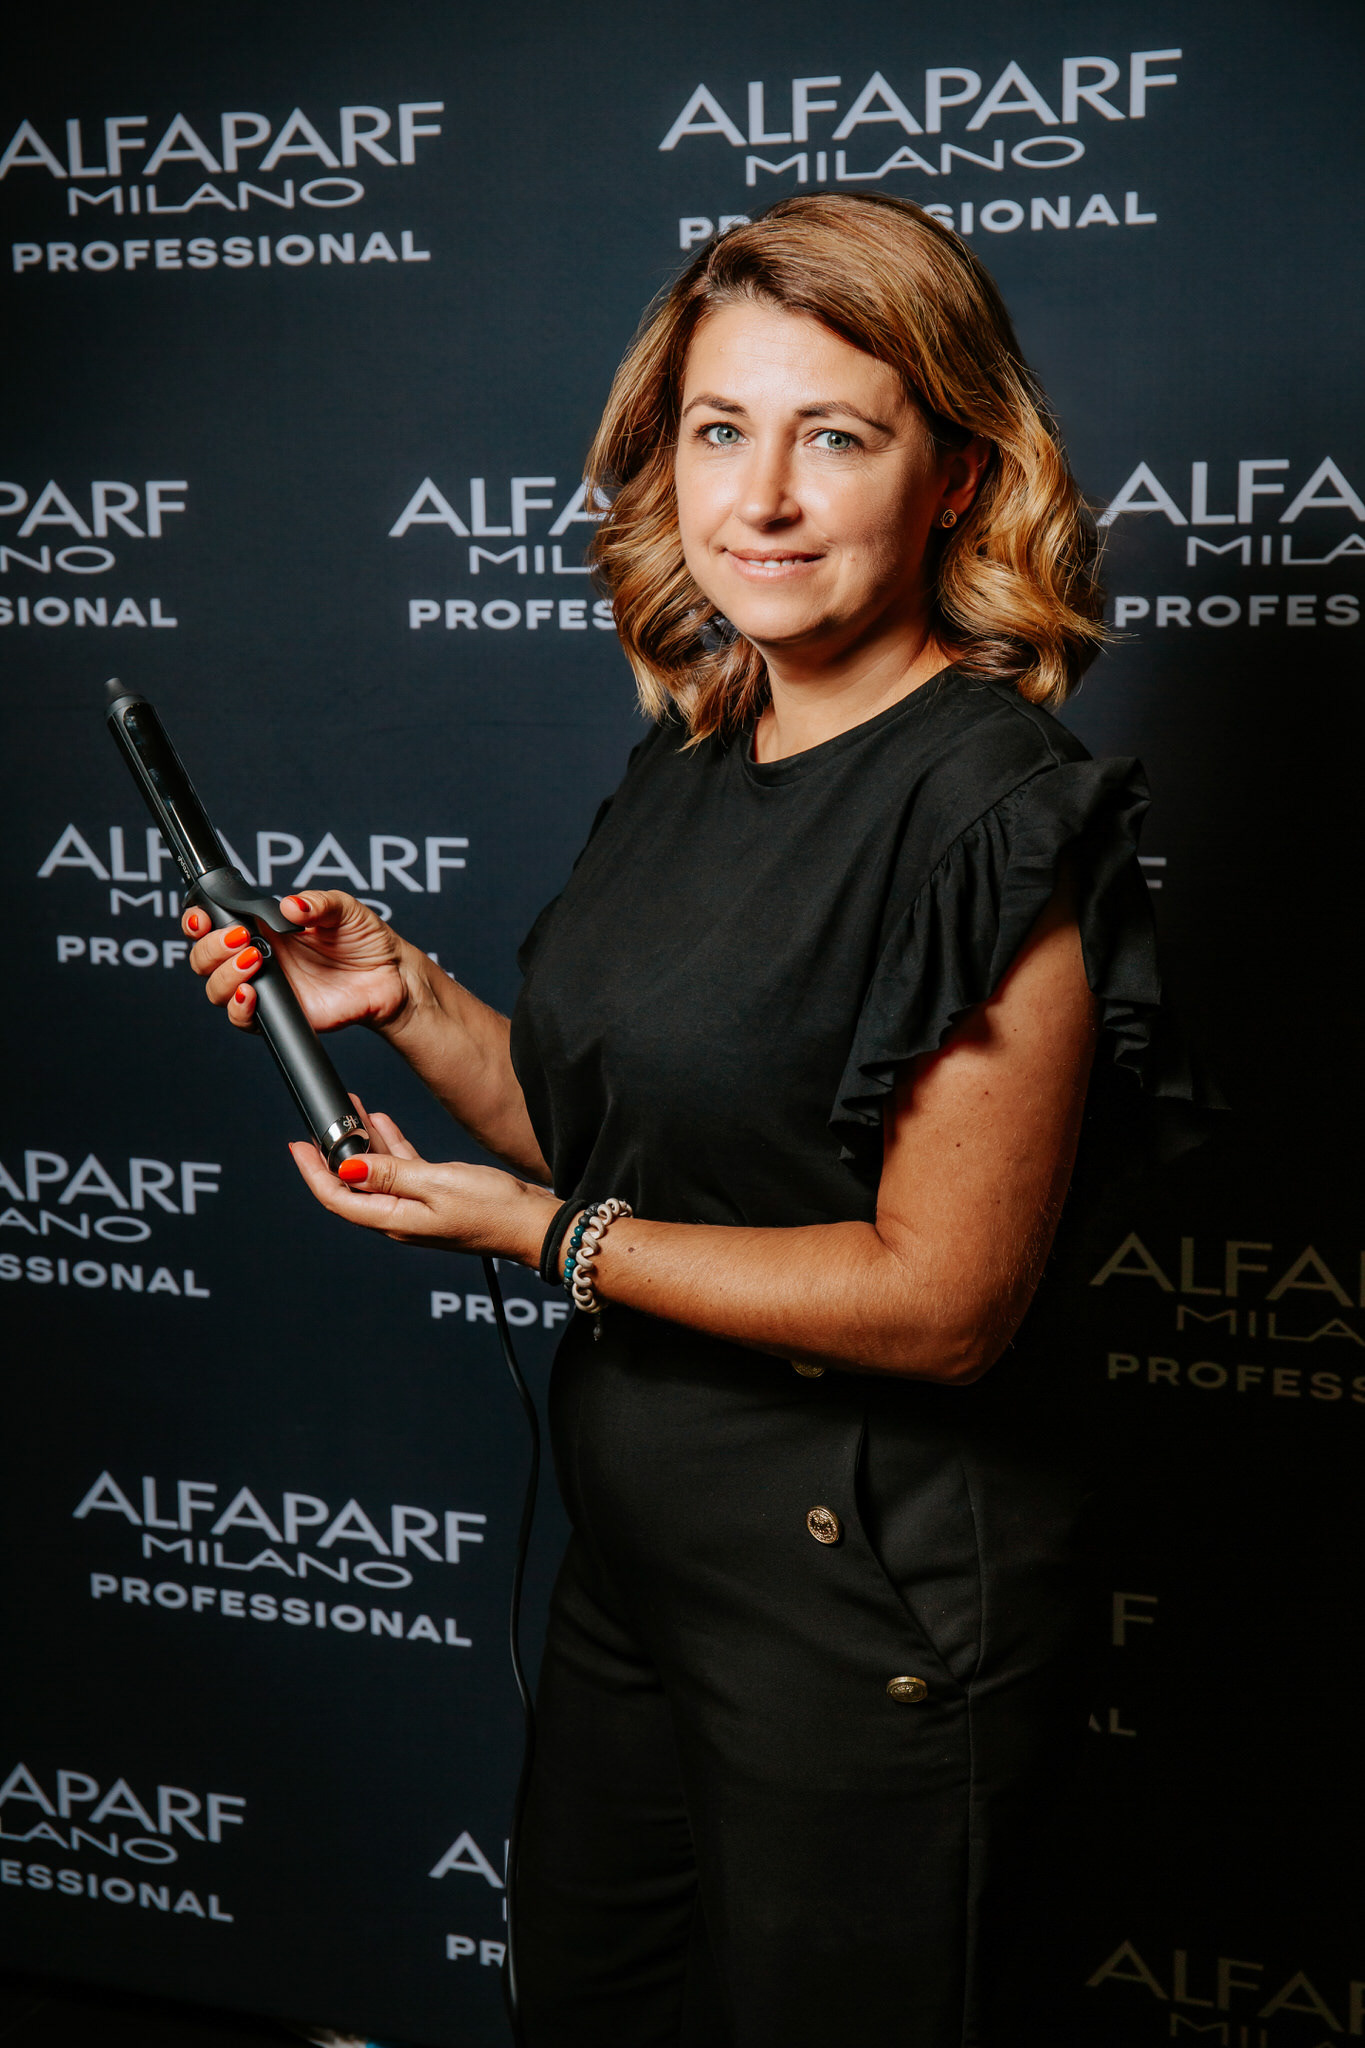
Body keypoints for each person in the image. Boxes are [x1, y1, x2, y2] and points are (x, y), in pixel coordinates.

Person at [183, 194, 1194, 2045]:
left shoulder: (990, 811)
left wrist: (536, 1237)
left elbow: (941, 1302)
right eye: (721, 430)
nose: (764, 499)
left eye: (838, 437)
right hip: (640, 1565)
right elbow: (631, 1151)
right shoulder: (699, 746)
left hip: (861, 1599)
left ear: (959, 478)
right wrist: (402, 996)